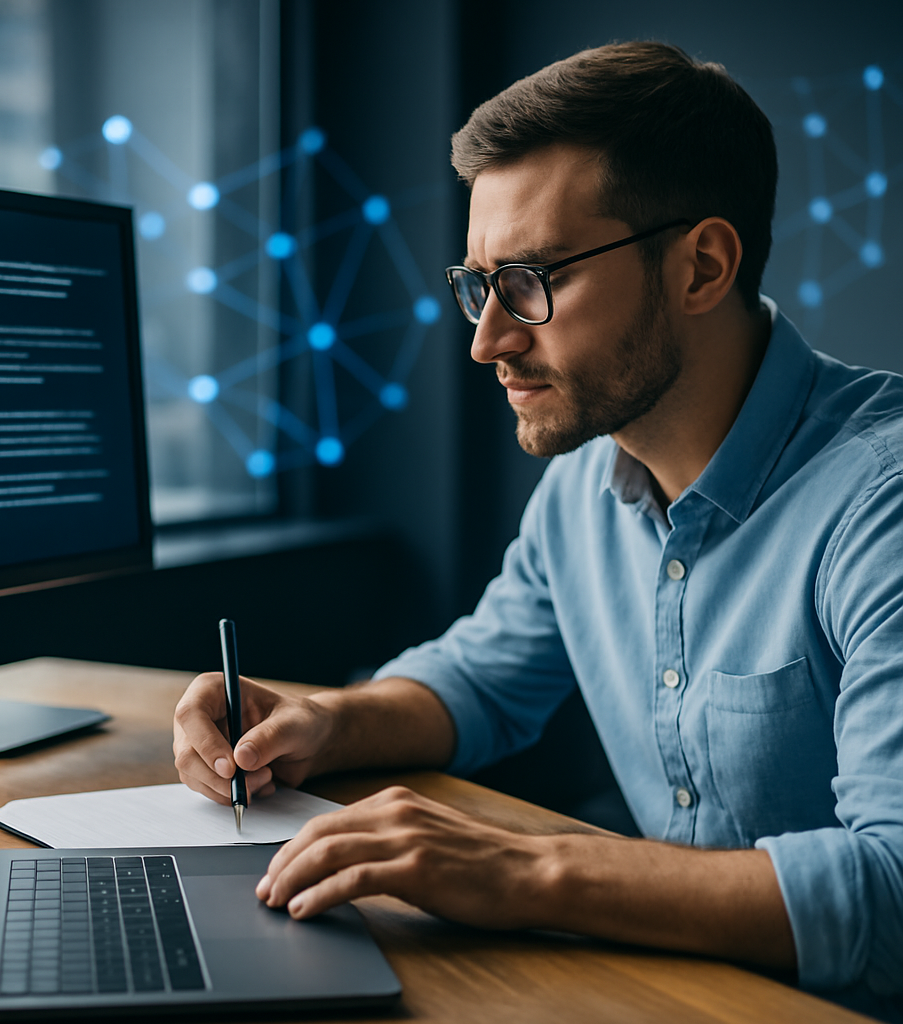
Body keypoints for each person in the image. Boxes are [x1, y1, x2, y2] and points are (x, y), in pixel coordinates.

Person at [173, 41, 903, 1020]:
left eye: (529, 281)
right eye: (478, 285)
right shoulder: (578, 491)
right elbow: (479, 679)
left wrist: (535, 871)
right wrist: (320, 721)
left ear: (701, 266)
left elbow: (891, 889)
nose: (488, 340)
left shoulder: (880, 499)